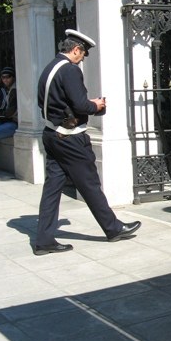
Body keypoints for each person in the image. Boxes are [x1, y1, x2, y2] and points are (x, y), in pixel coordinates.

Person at [34, 29, 140, 255]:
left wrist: (81, 105)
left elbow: (52, 101)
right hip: (70, 138)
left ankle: (43, 240)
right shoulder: (70, 70)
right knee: (90, 184)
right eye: (82, 54)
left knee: (52, 188)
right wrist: (97, 105)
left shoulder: (50, 68)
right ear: (75, 50)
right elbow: (81, 106)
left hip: (52, 134)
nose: (82, 59)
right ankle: (113, 228)